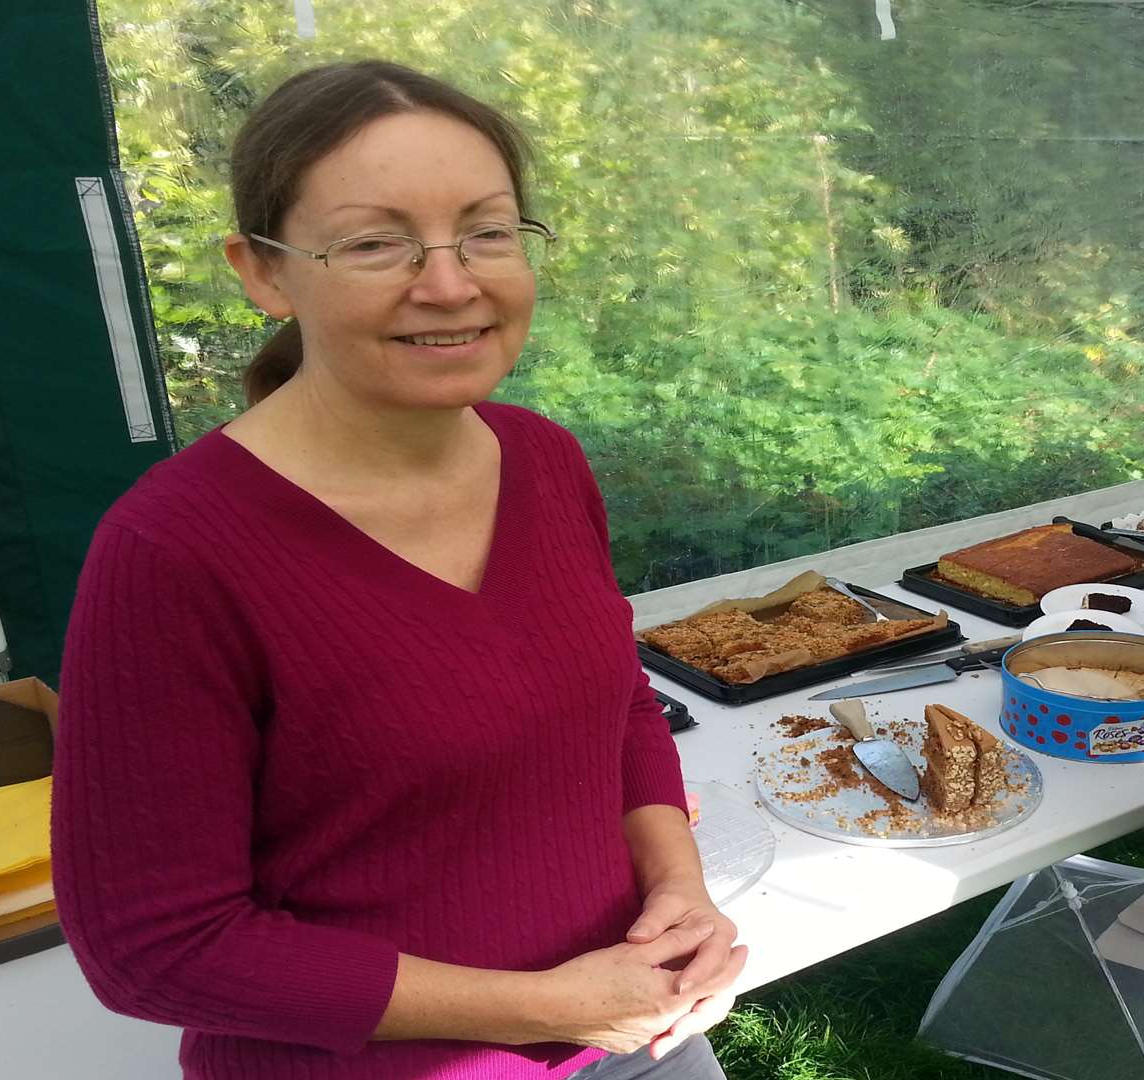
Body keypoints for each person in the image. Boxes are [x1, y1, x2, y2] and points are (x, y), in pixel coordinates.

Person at [51, 61, 743, 1080]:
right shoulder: (173, 552)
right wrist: (546, 1007)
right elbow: (156, 949)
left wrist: (678, 887)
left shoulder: (544, 460)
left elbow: (618, 707)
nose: (452, 282)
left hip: (637, 1030)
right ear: (262, 271)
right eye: (376, 242)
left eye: (488, 231)